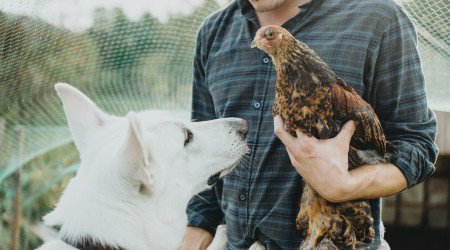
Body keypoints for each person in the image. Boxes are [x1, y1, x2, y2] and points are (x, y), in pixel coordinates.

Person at [181, 0, 438, 249]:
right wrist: (196, 230)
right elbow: (201, 153)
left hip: (335, 241)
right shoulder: (214, 30)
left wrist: (345, 185)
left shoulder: (378, 18)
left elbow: (417, 147)